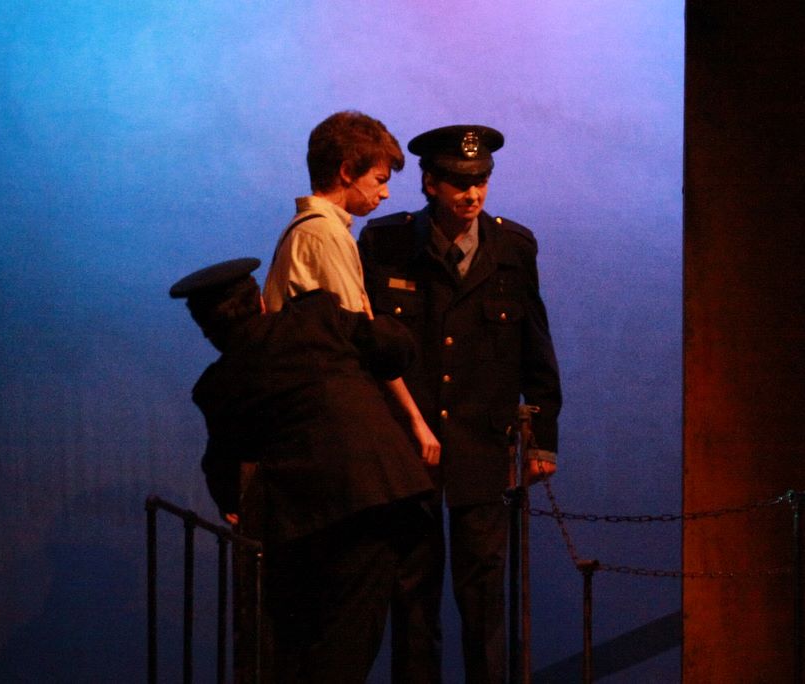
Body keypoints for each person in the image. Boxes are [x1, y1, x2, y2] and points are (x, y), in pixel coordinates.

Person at [358, 125, 563, 683]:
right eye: (459, 182)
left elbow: (535, 346)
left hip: (482, 443)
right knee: (413, 595)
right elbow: (367, 349)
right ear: (429, 183)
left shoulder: (512, 247)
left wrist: (542, 440)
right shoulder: (387, 243)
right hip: (410, 448)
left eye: (482, 181)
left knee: (484, 598)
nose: (473, 194)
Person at [170, 257, 435, 683]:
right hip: (377, 493)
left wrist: (229, 501)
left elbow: (223, 463)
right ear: (260, 301)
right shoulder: (316, 317)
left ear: (207, 331)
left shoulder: (218, 385)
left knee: (310, 643)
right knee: (349, 640)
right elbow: (394, 349)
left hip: (305, 523)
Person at [263, 110, 440, 465]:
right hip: (320, 422)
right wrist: (415, 419)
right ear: (346, 172)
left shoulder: (308, 227)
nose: (385, 193)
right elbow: (359, 337)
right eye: (379, 179)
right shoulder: (324, 234)